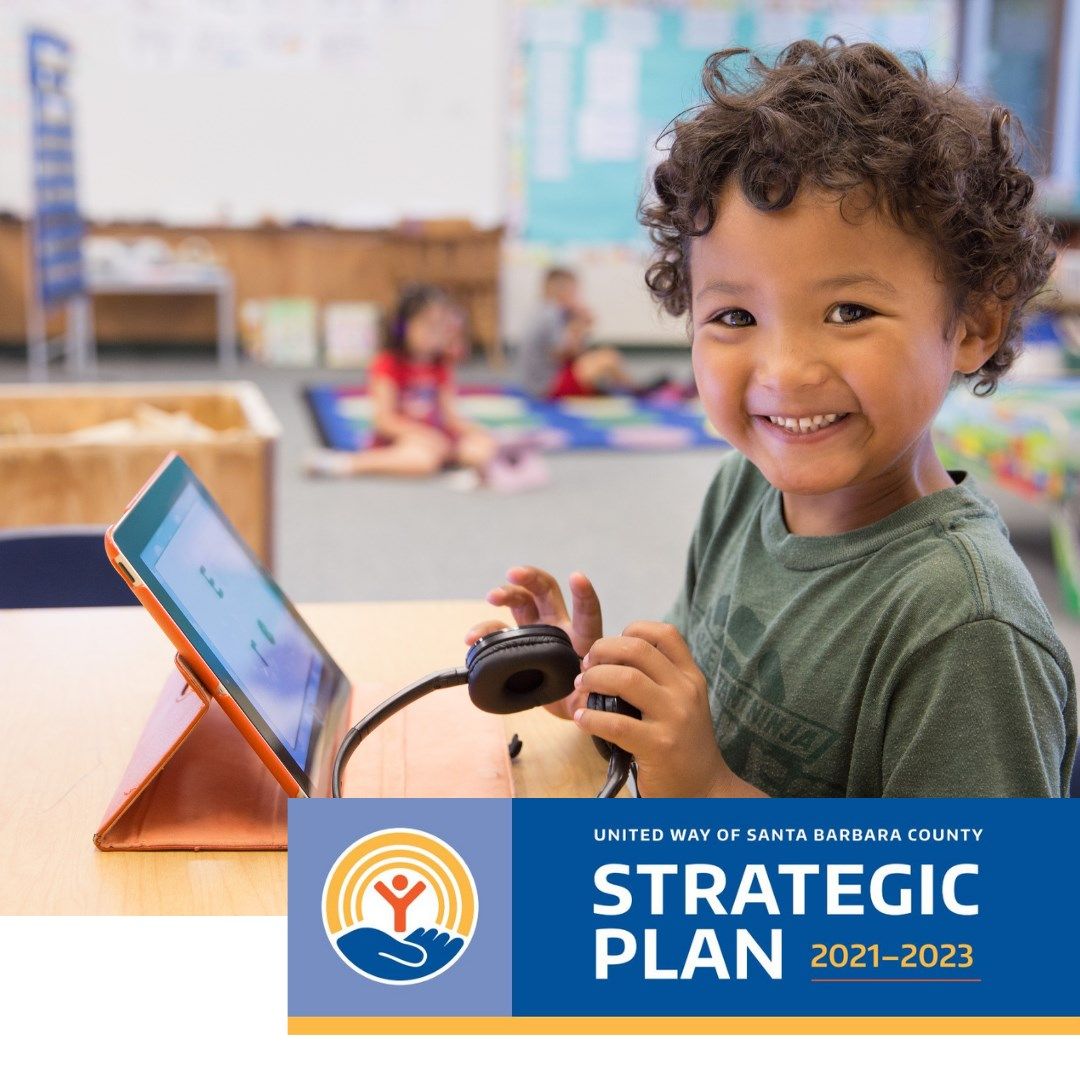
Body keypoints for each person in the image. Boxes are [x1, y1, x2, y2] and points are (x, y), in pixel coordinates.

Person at [467, 39, 1077, 798]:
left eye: (848, 311)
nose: (785, 370)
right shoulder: (743, 490)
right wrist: (610, 699)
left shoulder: (967, 628)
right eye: (733, 315)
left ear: (974, 326)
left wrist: (713, 795)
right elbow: (698, 724)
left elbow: (987, 912)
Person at [307, 284, 497, 479]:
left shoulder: (441, 365)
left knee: (482, 449)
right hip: (400, 439)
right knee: (421, 461)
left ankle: (445, 456)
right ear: (403, 327)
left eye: (441, 325)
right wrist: (422, 435)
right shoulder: (387, 364)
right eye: (427, 325)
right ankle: (347, 463)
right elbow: (385, 421)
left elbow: (451, 416)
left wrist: (479, 432)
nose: (436, 333)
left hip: (438, 438)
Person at [517, 266, 685, 399]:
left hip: (539, 381)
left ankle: (627, 388)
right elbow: (565, 353)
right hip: (546, 386)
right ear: (564, 291)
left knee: (600, 359)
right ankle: (636, 390)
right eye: (574, 292)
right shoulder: (551, 313)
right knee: (607, 357)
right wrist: (579, 326)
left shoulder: (543, 310)